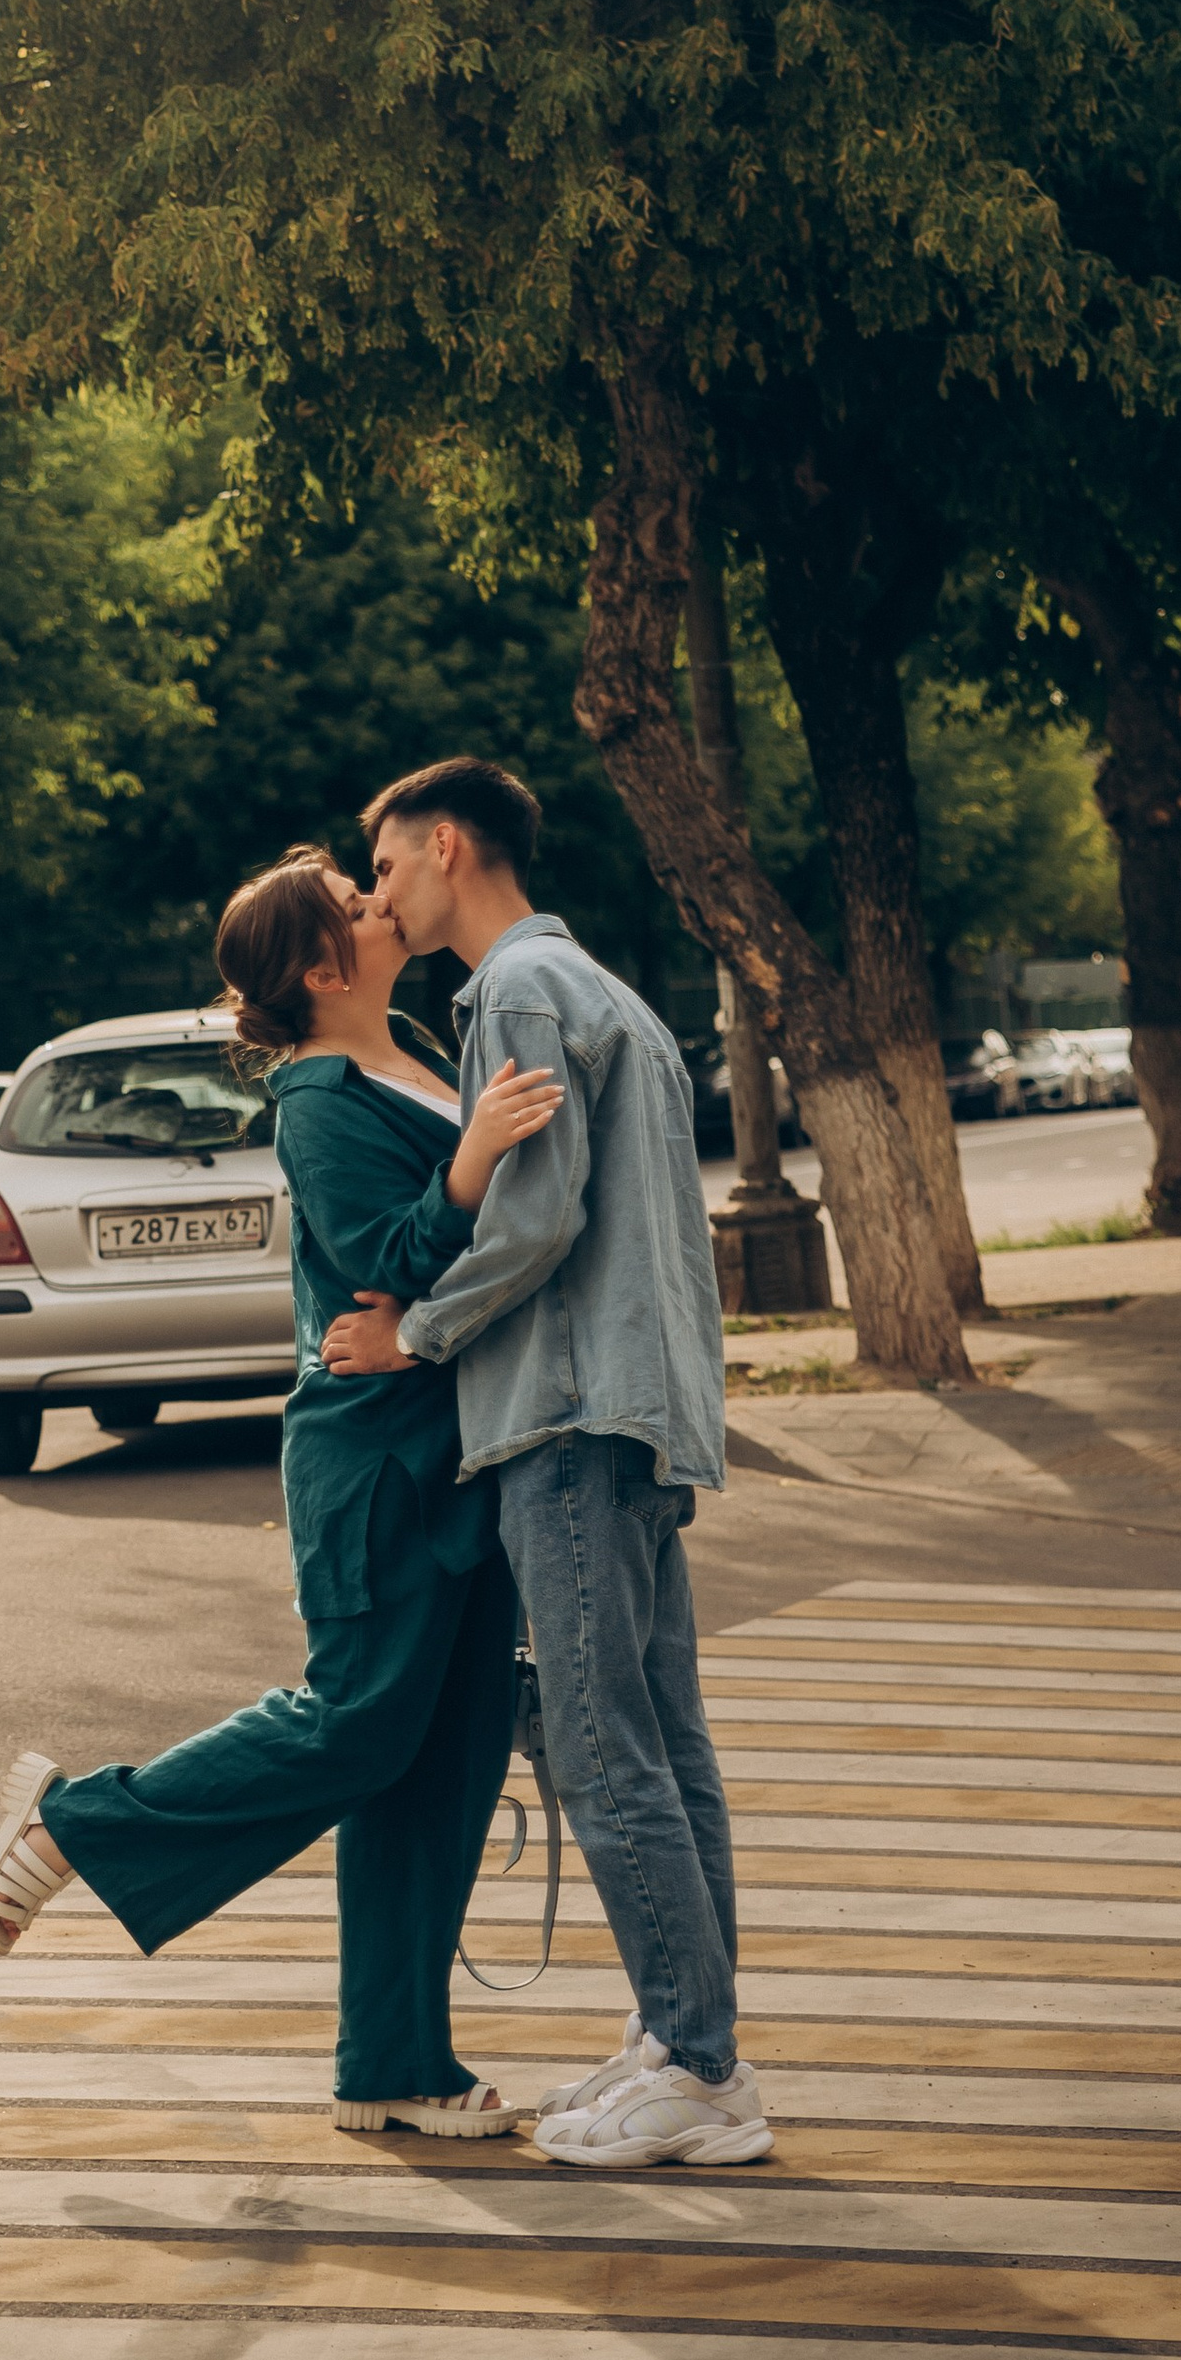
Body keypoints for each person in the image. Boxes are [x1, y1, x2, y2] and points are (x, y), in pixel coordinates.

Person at [0, 847, 565, 2135]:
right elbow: (383, 1262)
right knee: (356, 1724)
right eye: (353, 900)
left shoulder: (407, 1046)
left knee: (440, 1768)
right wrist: (477, 1162)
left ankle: (392, 2065)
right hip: (374, 1461)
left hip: (456, 1449)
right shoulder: (319, 1098)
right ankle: (79, 1822)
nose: (376, 897)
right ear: (316, 965)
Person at [323, 756, 770, 2171]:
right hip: (638, 1410)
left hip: (568, 1412)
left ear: (447, 845)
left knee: (599, 1744)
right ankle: (685, 2038)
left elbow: (534, 1219)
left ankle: (699, 2070)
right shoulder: (602, 988)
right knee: (666, 1742)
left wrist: (417, 1334)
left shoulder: (516, 994)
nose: (378, 891)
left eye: (384, 864)